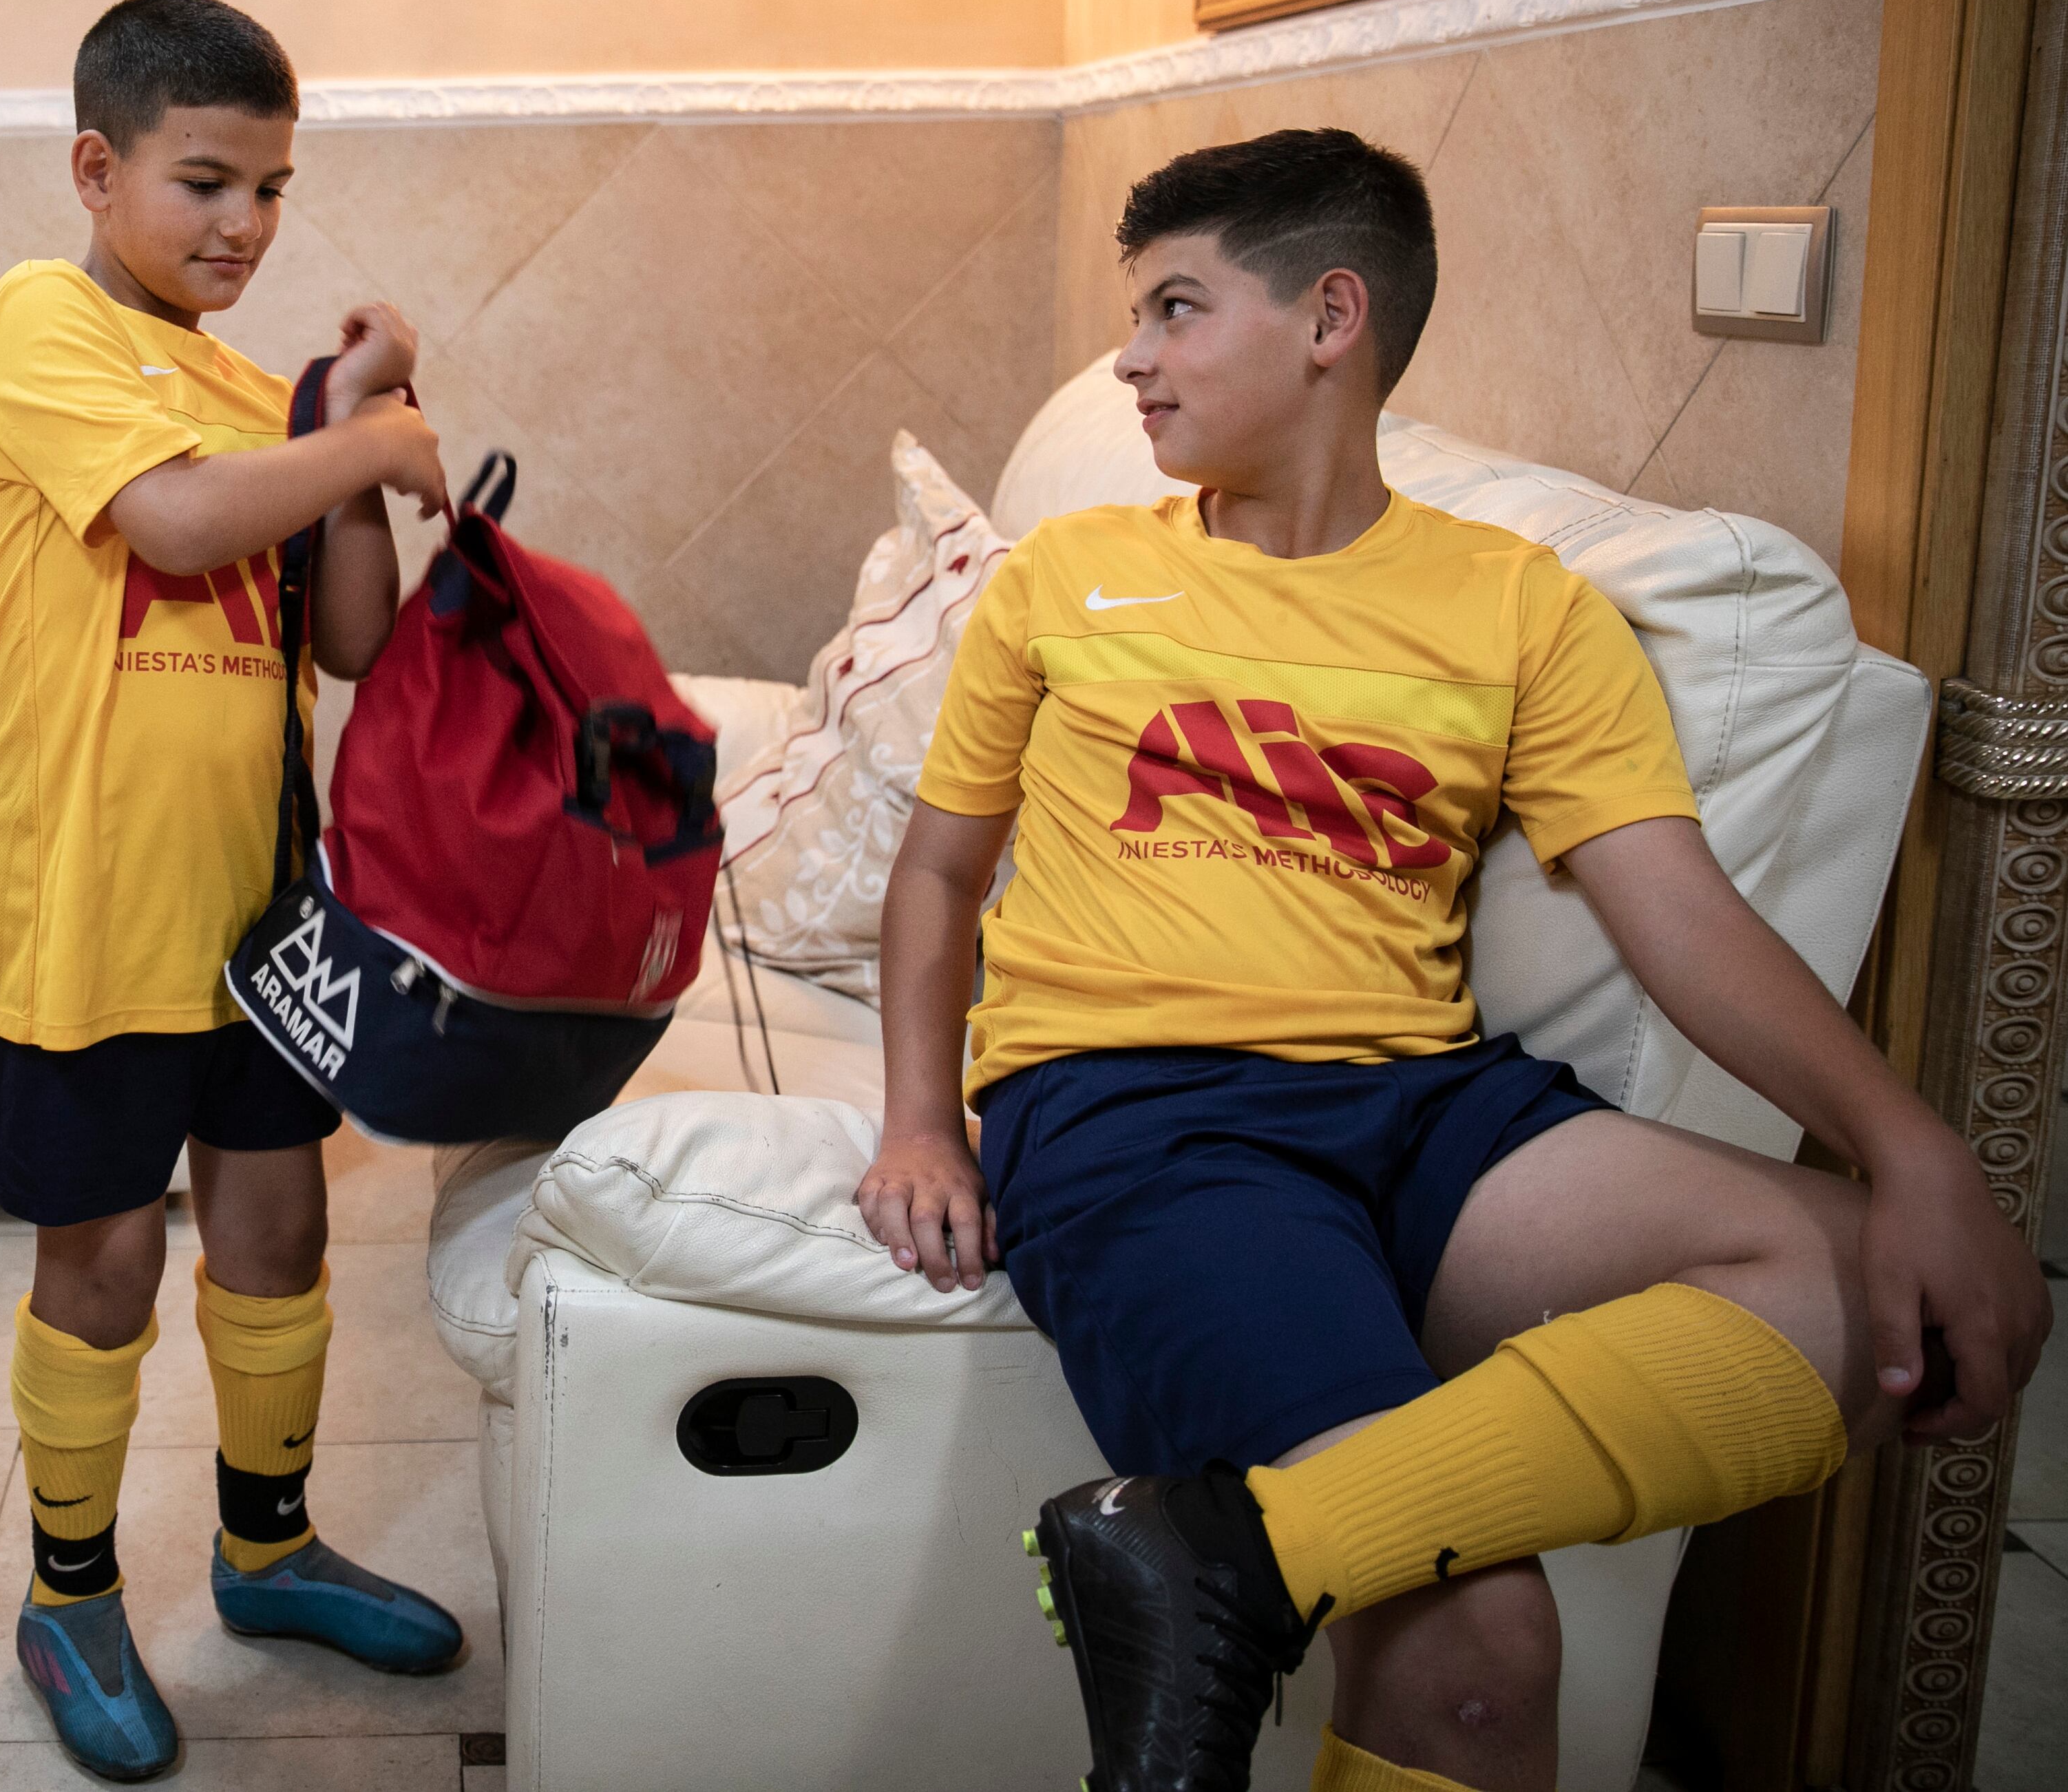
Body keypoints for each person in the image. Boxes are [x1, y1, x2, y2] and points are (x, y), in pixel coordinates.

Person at [849, 128, 2049, 1792]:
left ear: (1330, 315)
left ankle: (1228, 1552)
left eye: (1177, 308)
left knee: (1861, 1281)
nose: (1131, 356)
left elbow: (1677, 912)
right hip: (1135, 1109)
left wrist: (1917, 1146)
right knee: (1481, 1649)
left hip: (1423, 1101)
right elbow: (939, 869)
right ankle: (1265, 1549)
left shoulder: (1518, 606)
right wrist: (922, 1118)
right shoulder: (1073, 575)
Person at [0, 0, 465, 1780]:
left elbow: (349, 637)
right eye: (203, 179)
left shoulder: (265, 395)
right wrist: (372, 445)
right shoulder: (45, 319)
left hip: (265, 904)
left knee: (279, 1231)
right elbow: (169, 524)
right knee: (98, 1255)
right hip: (89, 898)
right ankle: (70, 1594)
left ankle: (267, 1546)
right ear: (98, 170)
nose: (241, 223)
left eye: (271, 188)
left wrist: (343, 418)